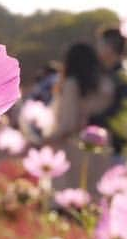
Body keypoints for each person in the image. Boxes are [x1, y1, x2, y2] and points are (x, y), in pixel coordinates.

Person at [45, 43, 115, 190]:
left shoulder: (71, 84)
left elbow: (68, 123)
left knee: (72, 198)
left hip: (74, 149)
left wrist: (47, 138)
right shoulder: (104, 84)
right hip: (101, 147)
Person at [90, 27, 127, 160]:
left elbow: (118, 114)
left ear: (109, 48)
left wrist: (89, 119)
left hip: (115, 149)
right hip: (112, 146)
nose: (97, 49)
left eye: (100, 44)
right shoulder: (121, 71)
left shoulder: (122, 76)